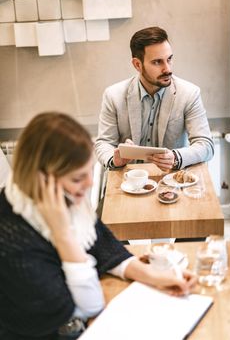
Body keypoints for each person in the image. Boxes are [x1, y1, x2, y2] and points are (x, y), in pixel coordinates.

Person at [0, 112, 196, 340]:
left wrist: (155, 276)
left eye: (89, 171)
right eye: (77, 178)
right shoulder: (11, 240)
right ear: (42, 181)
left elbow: (102, 243)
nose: (90, 183)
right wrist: (63, 235)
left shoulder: (63, 199)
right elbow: (86, 307)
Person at [95, 26, 214, 171]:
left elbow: (206, 145)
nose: (168, 69)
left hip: (171, 179)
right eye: (157, 62)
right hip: (128, 179)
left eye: (169, 59)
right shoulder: (113, 95)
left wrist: (176, 157)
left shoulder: (190, 93)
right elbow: (103, 143)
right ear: (137, 64)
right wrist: (114, 159)